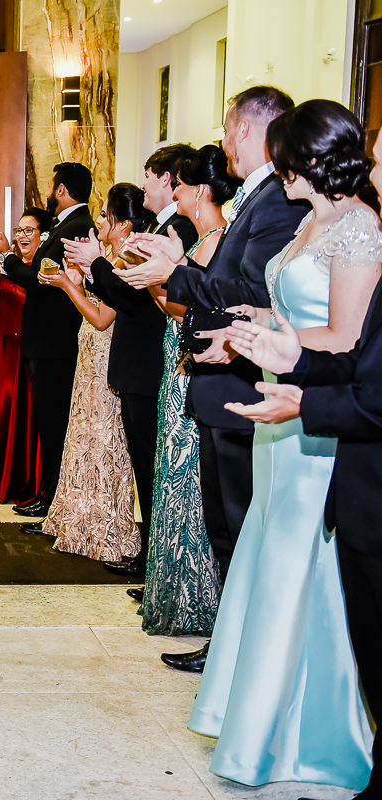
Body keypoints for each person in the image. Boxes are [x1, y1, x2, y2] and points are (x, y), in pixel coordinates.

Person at [183, 99, 380, 792]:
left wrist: (279, 346)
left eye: (285, 154)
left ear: (307, 159)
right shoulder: (307, 224)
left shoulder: (358, 230)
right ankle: (256, 718)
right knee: (269, 549)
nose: (277, 167)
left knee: (304, 563)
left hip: (314, 417)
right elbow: (296, 311)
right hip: (280, 407)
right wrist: (247, 329)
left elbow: (351, 343)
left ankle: (304, 732)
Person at [116, 86, 310, 672]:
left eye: (228, 130)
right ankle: (229, 647)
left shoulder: (275, 200)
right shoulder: (260, 199)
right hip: (222, 378)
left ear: (247, 130)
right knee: (225, 523)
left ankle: (239, 654)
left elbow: (254, 294)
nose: (224, 142)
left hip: (242, 382)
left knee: (237, 520)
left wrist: (176, 273)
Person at [68, 144, 199, 577]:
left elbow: (130, 298)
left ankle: (154, 560)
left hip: (148, 362)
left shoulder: (178, 228)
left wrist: (93, 267)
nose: (144, 183)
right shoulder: (163, 227)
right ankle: (150, 556)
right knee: (146, 464)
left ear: (167, 180)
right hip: (138, 363)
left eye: (149, 175)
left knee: (149, 464)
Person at [132, 144, 238, 636]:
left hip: (194, 369)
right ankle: (174, 590)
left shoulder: (215, 239)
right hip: (177, 368)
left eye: (178, 185)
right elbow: (177, 304)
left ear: (197, 191)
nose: (173, 192)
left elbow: (193, 307)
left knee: (189, 485)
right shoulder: (200, 241)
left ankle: (197, 597)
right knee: (172, 481)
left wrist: (164, 280)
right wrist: (158, 279)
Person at [28, 184, 142, 562]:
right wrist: (76, 283)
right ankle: (77, 519)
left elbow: (101, 317)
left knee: (103, 441)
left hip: (106, 356)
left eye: (106, 216)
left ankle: (105, 527)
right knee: (83, 436)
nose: (99, 221)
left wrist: (66, 286)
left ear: (123, 225)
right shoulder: (110, 258)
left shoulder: (125, 261)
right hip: (89, 355)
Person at [0, 162, 95, 519]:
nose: (48, 194)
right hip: (51, 342)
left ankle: (51, 498)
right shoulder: (70, 227)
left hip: (54, 344)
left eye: (50, 187)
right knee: (51, 424)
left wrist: (5, 255)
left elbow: (36, 281)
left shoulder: (72, 229)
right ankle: (48, 494)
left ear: (61, 190)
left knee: (54, 425)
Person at [0, 209, 49, 504]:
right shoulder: (7, 264)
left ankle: (25, 483)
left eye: (30, 230)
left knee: (26, 418)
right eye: (19, 231)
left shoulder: (39, 266)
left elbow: (33, 299)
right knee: (3, 414)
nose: (22, 236)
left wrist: (0, 283)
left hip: (29, 348)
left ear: (43, 236)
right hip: (5, 348)